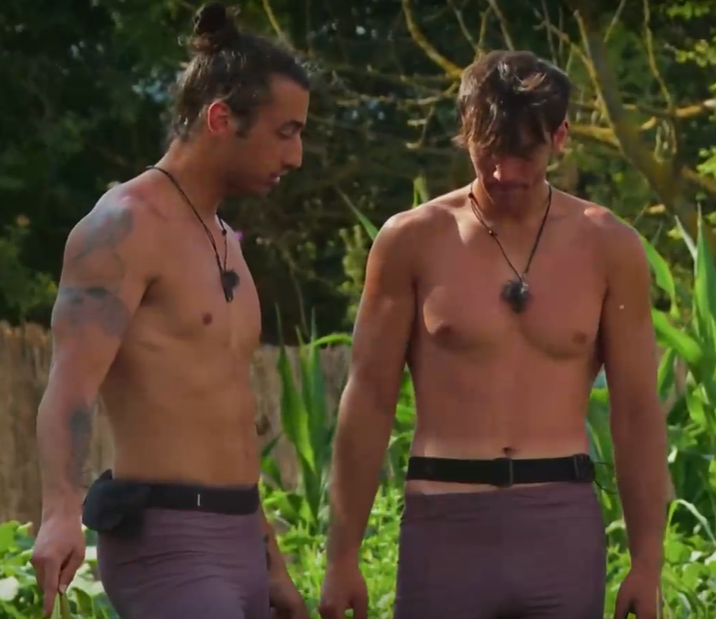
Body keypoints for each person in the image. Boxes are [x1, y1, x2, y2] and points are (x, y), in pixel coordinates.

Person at [318, 50, 669, 619]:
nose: (505, 173)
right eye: (489, 151)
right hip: (445, 523)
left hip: (560, 527)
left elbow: (637, 410)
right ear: (465, 132)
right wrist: (341, 557)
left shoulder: (609, 245)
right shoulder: (412, 240)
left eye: (524, 152)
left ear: (560, 137)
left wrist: (647, 562)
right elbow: (369, 397)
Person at [30, 3, 311, 618]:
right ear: (221, 118)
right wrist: (59, 511)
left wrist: (271, 563)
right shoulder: (124, 227)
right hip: (166, 543)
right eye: (285, 132)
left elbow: (226, 415)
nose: (295, 157)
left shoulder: (226, 242)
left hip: (240, 542)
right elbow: (70, 387)